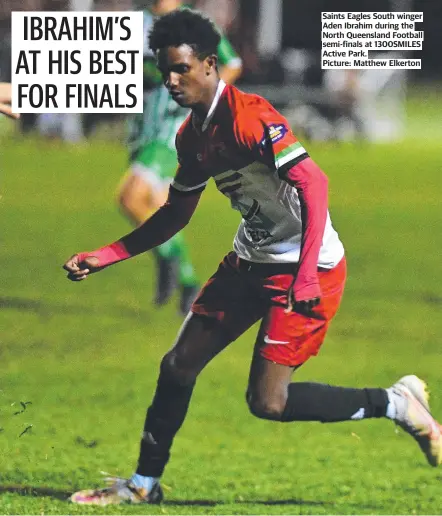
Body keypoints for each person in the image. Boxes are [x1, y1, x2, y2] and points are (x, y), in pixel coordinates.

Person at [64, 9, 442, 505]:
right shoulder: (192, 137)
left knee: (268, 401)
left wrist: (305, 276)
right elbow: (175, 214)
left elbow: (315, 184)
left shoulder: (250, 117)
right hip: (251, 260)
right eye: (164, 70)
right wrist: (106, 255)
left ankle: (396, 403)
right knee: (177, 365)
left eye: (181, 69)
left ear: (208, 66)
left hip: (311, 266)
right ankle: (141, 486)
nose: (171, 81)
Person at [118, 0, 242, 315]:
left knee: (130, 198)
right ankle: (187, 281)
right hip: (143, 125)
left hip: (172, 129)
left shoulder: (193, 23)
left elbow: (232, 63)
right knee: (159, 208)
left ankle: (167, 258)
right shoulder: (136, 21)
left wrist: (201, 96)